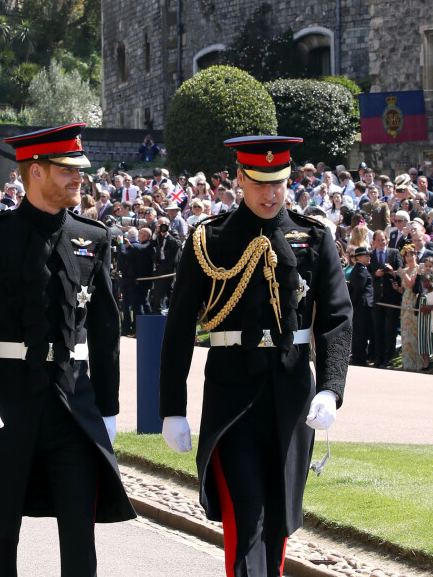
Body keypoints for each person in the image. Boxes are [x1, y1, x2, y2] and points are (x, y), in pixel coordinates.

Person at [0, 123, 136, 576]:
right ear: (36, 171)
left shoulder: (94, 236)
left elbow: (106, 328)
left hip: (72, 404)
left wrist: (108, 404)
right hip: (6, 401)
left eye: (79, 170)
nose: (78, 178)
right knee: (0, 533)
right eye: (67, 170)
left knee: (80, 537)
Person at [159, 135, 352, 577]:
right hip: (233, 394)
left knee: (278, 522)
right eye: (260, 183)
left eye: (279, 183)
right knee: (246, 517)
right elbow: (179, 327)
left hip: (290, 393)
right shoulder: (210, 239)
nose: (270, 194)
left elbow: (337, 318)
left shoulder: (314, 237)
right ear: (241, 179)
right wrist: (172, 408)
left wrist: (331, 388)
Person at [369, 230, 402, 368]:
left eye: (383, 240)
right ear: (374, 242)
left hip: (391, 297)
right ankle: (379, 357)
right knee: (378, 328)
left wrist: (392, 272)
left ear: (386, 241)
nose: (381, 242)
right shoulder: (371, 255)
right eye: (379, 240)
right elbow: (366, 275)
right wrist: (375, 274)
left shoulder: (394, 253)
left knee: (391, 328)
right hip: (377, 297)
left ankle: (389, 357)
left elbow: (400, 272)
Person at [349, 246, 374, 366]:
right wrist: (353, 304)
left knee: (360, 332)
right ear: (358, 257)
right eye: (366, 256)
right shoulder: (361, 270)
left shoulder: (360, 269)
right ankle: (359, 357)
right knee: (361, 333)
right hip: (362, 305)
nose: (369, 257)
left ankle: (359, 356)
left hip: (361, 305)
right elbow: (359, 289)